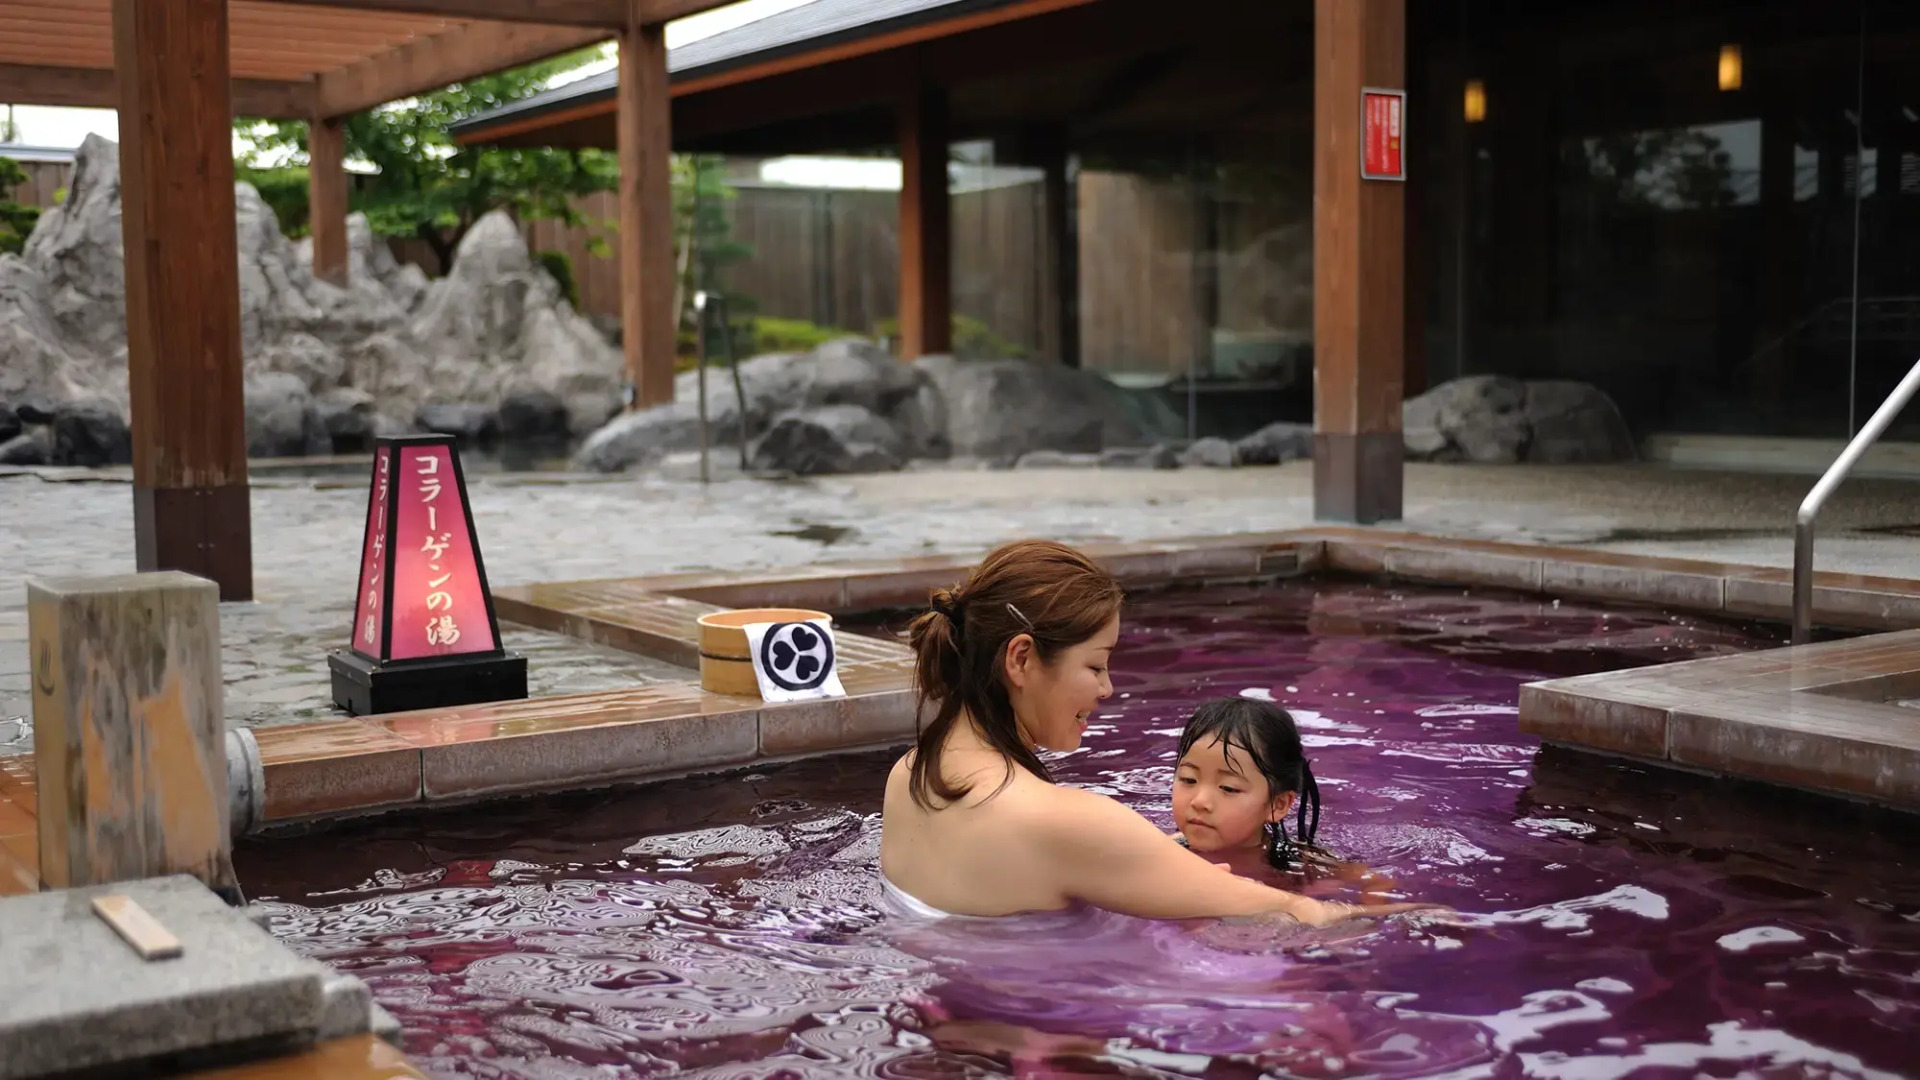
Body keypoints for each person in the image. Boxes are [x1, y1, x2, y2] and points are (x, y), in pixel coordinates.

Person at [879, 538, 1438, 925]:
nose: (1108, 689)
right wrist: (1436, 921)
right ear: (1021, 660)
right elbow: (1300, 913)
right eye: (1096, 665)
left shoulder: (907, 776)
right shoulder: (1062, 819)